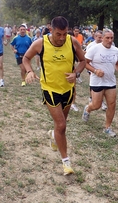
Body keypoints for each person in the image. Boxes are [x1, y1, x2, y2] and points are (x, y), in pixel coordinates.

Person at [22, 16, 86, 176]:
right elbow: (26, 58)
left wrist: (76, 73)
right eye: (58, 34)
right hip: (50, 89)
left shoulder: (72, 42)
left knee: (60, 126)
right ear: (51, 29)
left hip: (68, 89)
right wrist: (29, 71)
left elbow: (83, 61)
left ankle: (52, 135)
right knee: (62, 125)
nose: (62, 38)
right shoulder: (40, 43)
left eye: (65, 34)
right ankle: (66, 163)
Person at [82, 29, 118, 137]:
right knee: (97, 105)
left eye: (111, 38)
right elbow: (84, 63)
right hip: (97, 81)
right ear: (103, 38)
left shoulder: (115, 50)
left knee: (112, 105)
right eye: (107, 38)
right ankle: (87, 109)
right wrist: (95, 71)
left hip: (110, 82)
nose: (110, 40)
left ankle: (107, 128)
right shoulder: (94, 49)